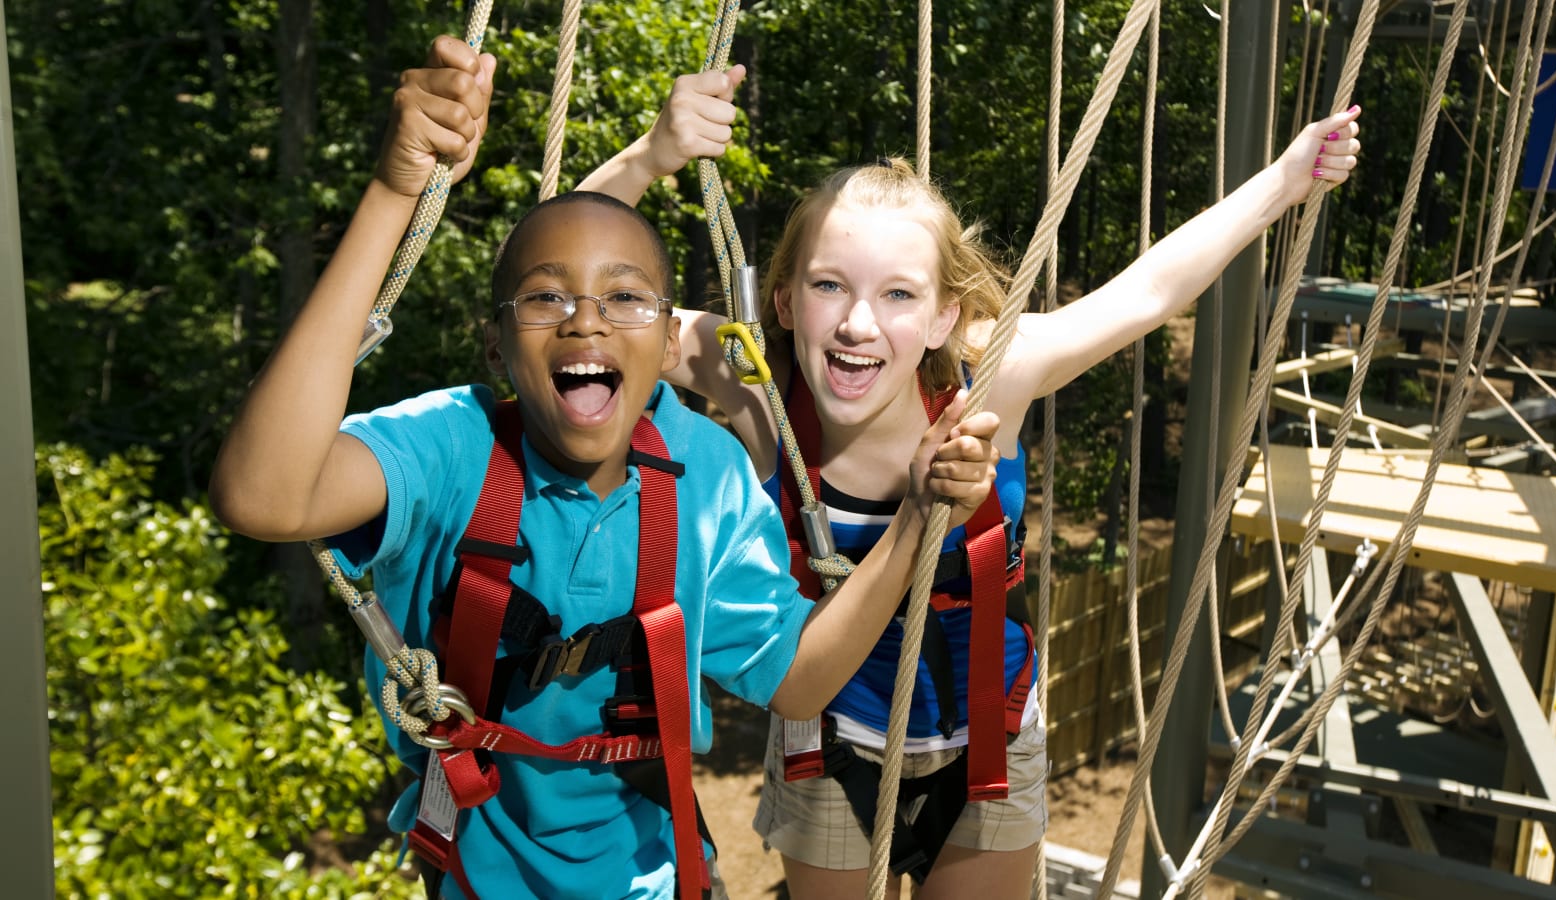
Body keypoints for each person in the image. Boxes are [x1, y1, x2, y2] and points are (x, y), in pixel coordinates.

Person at [209, 36, 1002, 900]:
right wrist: (395, 194)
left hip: (656, 878)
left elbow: (797, 676)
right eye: (548, 299)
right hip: (478, 878)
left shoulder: (705, 475)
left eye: (623, 298)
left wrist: (920, 517)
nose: (587, 321)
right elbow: (260, 494)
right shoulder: (452, 450)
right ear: (498, 342)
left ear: (669, 345)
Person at [581, 67, 1363, 899]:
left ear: (947, 317)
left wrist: (1285, 179)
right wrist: (649, 157)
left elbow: (1148, 294)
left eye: (898, 295)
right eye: (827, 286)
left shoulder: (991, 376)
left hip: (984, 735)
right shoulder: (758, 386)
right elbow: (577, 291)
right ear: (780, 299)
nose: (857, 323)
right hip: (825, 739)